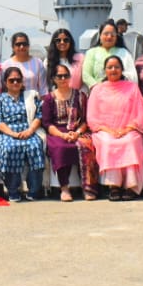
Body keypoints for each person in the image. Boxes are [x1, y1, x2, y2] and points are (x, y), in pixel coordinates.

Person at [86, 55, 143, 200]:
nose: (113, 70)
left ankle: (131, 186)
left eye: (117, 67)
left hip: (129, 129)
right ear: (105, 70)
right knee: (108, 142)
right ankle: (113, 186)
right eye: (110, 67)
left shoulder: (132, 88)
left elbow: (139, 112)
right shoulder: (97, 89)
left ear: (122, 69)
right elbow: (92, 117)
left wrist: (127, 129)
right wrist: (109, 131)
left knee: (130, 142)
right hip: (104, 130)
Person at [42, 62, 99, 201]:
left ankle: (87, 188)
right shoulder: (49, 98)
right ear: (53, 79)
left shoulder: (80, 96)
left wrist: (77, 133)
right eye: (59, 76)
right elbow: (47, 123)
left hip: (78, 130)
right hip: (57, 132)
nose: (63, 79)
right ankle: (64, 188)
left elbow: (85, 120)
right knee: (61, 148)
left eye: (66, 76)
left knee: (87, 146)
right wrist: (62, 135)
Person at [0, 67, 45, 201]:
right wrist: (13, 134)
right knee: (9, 148)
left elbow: (39, 116)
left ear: (22, 81)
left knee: (35, 146)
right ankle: (13, 190)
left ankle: (34, 190)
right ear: (5, 82)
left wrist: (30, 131)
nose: (15, 82)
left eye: (18, 80)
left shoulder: (30, 97)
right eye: (11, 80)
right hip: (7, 133)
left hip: (28, 130)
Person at [81, 19, 137, 92]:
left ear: (116, 37)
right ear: (100, 36)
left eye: (112, 34)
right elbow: (86, 74)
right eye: (106, 34)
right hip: (97, 93)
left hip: (121, 92)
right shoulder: (91, 52)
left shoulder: (124, 53)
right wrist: (97, 88)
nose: (109, 37)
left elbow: (132, 75)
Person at [4, 32, 47, 96]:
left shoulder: (38, 63)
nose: (22, 47)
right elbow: (3, 88)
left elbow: (43, 90)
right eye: (18, 44)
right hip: (11, 101)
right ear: (13, 47)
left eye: (24, 44)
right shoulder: (6, 65)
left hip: (33, 101)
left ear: (28, 46)